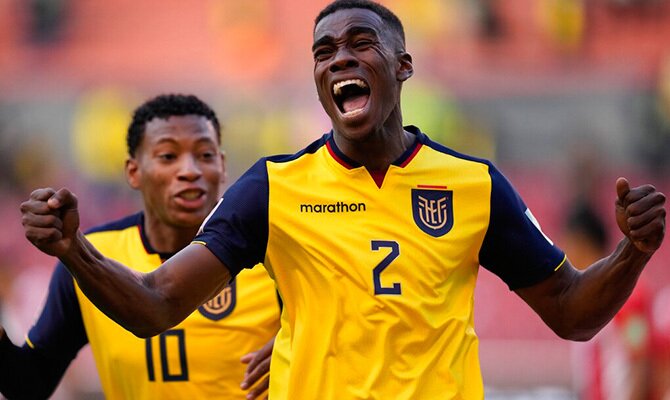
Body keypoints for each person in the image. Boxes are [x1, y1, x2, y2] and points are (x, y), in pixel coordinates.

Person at [19, 1, 667, 398]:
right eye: (323, 51)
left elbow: (570, 313)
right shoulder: (274, 188)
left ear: (403, 66)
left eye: (360, 44)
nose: (338, 60)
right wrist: (73, 249)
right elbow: (159, 304)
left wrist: (634, 251)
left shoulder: (472, 185)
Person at [2, 94, 280, 399]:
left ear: (223, 165)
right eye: (167, 156)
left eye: (205, 155)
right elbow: (29, 385)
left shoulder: (271, 255)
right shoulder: (91, 257)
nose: (190, 170)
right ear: (133, 172)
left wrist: (297, 343)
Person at [564, 200, 654, 400]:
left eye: (568, 244)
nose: (564, 252)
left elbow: (639, 359)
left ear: (581, 243)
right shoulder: (582, 295)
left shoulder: (627, 292)